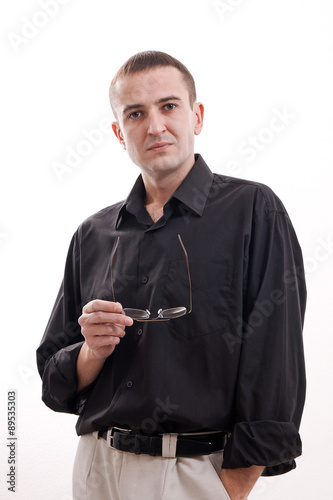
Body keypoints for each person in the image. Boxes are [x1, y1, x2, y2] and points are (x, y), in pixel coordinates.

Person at [37, 51, 306, 500]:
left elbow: (274, 358)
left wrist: (231, 487)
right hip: (96, 470)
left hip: (196, 474)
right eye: (136, 113)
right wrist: (91, 352)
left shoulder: (254, 210)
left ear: (196, 116)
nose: (155, 126)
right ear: (118, 132)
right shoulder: (93, 234)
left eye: (169, 106)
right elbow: (53, 378)